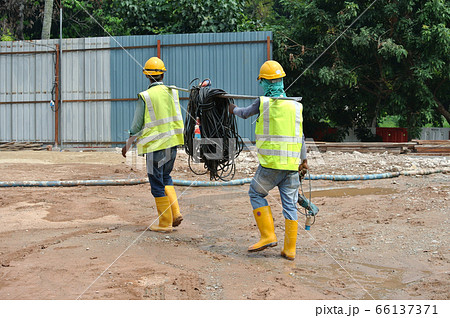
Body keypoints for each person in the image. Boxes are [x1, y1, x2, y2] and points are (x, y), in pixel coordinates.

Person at [229, 60, 308, 261]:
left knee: (255, 193)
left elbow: (245, 113)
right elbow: (301, 137)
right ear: (281, 80)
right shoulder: (295, 106)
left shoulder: (263, 102)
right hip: (291, 166)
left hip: (270, 166)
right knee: (290, 206)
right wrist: (304, 160)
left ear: (264, 82)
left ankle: (268, 235)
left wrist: (232, 109)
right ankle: (289, 250)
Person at [122, 57, 184, 233]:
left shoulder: (146, 96)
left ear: (147, 76)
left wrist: (127, 145)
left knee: (156, 182)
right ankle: (175, 213)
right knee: (166, 178)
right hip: (172, 143)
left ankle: (165, 223)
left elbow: (136, 126)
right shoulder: (172, 92)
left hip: (155, 147)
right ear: (163, 73)